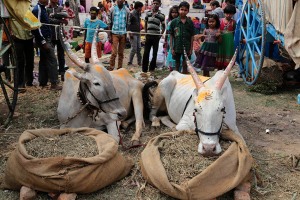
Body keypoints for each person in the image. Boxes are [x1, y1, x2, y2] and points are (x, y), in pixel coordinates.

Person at [32, 0, 61, 90]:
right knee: (52, 60)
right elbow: (36, 27)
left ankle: (43, 82)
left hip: (46, 38)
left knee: (44, 60)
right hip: (44, 39)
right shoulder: (37, 10)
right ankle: (54, 83)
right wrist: (43, 42)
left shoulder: (42, 8)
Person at [169, 1, 195, 74]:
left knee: (185, 64)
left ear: (188, 11)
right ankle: (177, 79)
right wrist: (171, 48)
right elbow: (171, 35)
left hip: (187, 46)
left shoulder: (190, 22)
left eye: (185, 10)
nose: (183, 11)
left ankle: (184, 78)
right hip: (177, 46)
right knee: (177, 64)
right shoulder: (174, 22)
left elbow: (192, 36)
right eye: (182, 9)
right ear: (179, 10)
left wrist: (191, 48)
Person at [142, 0, 165, 74]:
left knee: (155, 53)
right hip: (148, 36)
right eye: (154, 3)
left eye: (157, 3)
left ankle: (152, 68)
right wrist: (145, 33)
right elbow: (145, 23)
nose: (155, 5)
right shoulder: (148, 13)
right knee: (146, 53)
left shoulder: (161, 15)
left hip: (156, 37)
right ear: (152, 4)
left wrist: (160, 35)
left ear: (159, 5)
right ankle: (144, 69)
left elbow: (164, 27)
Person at [47, 0, 68, 81]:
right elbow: (48, 20)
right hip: (51, 35)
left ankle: (62, 73)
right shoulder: (47, 9)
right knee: (51, 56)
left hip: (60, 35)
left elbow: (65, 14)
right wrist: (60, 20)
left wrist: (54, 15)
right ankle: (51, 75)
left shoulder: (60, 8)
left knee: (61, 55)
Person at [11, 18, 34, 90]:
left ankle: (29, 81)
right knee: (19, 62)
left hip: (29, 38)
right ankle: (20, 84)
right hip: (17, 39)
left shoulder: (29, 9)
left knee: (30, 61)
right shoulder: (12, 11)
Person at [107, 0, 130, 70]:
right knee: (114, 53)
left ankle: (119, 68)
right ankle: (111, 67)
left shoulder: (127, 10)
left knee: (121, 53)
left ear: (123, 1)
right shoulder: (112, 9)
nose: (120, 1)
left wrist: (127, 35)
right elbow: (109, 23)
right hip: (114, 33)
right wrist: (109, 35)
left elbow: (128, 23)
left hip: (123, 34)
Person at [216, 5, 236, 70]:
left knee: (227, 56)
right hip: (221, 40)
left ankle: (225, 73)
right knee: (220, 54)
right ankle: (219, 73)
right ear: (224, 13)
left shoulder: (233, 22)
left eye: (230, 14)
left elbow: (236, 33)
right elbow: (217, 29)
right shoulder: (220, 21)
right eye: (227, 13)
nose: (228, 15)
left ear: (233, 14)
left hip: (229, 42)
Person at [127, 1, 143, 66]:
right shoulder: (132, 13)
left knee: (139, 48)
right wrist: (129, 32)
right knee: (134, 48)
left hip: (138, 32)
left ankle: (139, 62)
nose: (142, 8)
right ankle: (130, 62)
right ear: (138, 7)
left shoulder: (138, 13)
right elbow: (128, 23)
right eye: (141, 7)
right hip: (133, 33)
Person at [165, 5, 179, 71]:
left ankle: (178, 68)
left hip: (177, 41)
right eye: (172, 12)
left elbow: (177, 33)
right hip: (170, 40)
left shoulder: (179, 22)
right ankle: (172, 68)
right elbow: (167, 31)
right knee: (171, 53)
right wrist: (165, 40)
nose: (174, 14)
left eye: (176, 12)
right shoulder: (169, 22)